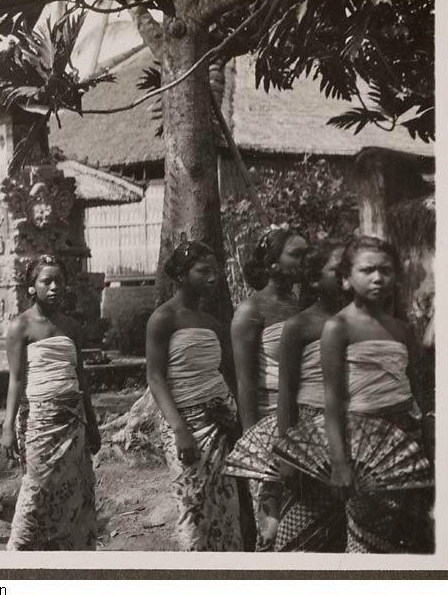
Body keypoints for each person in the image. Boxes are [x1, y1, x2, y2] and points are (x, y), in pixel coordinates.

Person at [318, 235, 432, 552]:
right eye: (367, 270)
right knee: (367, 538)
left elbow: (415, 389)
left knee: (408, 535)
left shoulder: (401, 329)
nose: (378, 278)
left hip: (407, 439)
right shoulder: (338, 327)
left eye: (386, 270)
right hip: (364, 445)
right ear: (346, 278)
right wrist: (340, 463)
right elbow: (334, 400)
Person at [145, 240, 243, 552]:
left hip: (220, 425)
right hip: (184, 424)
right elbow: (156, 378)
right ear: (182, 275)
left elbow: (225, 374)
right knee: (193, 508)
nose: (213, 278)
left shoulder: (213, 323)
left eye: (217, 272)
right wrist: (180, 430)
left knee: (225, 508)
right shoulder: (164, 318)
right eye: (204, 271)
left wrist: (234, 417)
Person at [1, 255, 101, 551]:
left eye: (59, 281)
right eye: (46, 281)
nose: (55, 287)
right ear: (31, 287)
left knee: (75, 489)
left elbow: (80, 377)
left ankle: (70, 556)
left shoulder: (71, 326)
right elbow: (17, 379)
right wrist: (7, 427)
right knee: (37, 488)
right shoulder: (21, 326)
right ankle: (18, 554)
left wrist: (92, 423)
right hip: (39, 420)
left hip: (74, 419)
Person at [268, 239, 349, 552]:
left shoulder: (359, 321)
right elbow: (286, 394)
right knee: (303, 530)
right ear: (315, 279)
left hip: (354, 428)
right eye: (338, 270)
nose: (346, 277)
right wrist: (288, 455)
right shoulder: (299, 326)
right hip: (312, 434)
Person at [230, 227, 307, 550]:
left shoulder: (303, 306)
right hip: (266, 421)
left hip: (305, 415)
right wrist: (253, 443)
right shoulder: (252, 310)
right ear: (273, 264)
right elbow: (245, 381)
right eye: (297, 254)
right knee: (271, 519)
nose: (305, 261)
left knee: (301, 512)